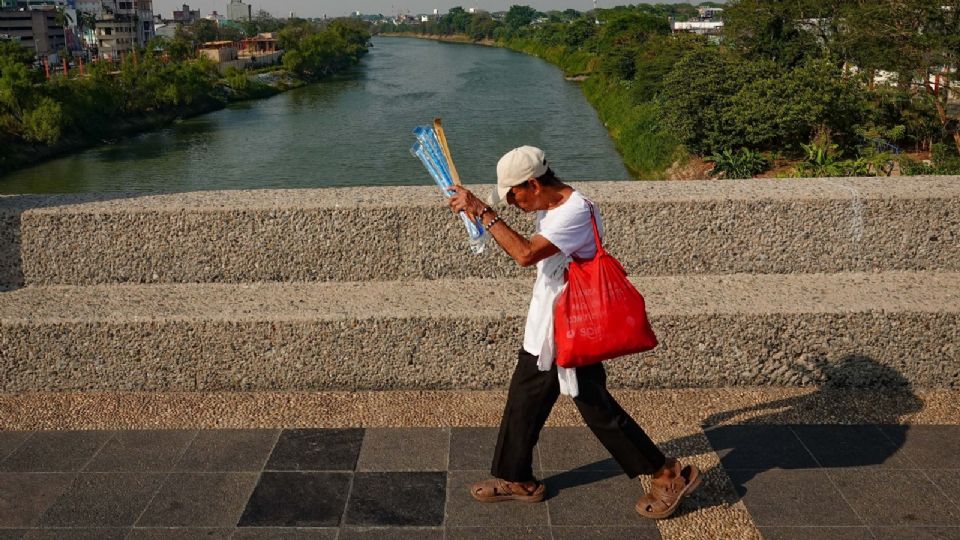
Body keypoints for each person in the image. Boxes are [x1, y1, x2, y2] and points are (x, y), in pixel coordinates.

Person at [447, 146, 700, 519]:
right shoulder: (550, 206)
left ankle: (667, 474)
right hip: (547, 327)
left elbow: (525, 254)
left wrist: (484, 213)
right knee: (524, 398)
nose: (512, 202)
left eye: (513, 194)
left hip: (574, 328)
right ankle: (515, 477)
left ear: (533, 183)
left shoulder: (575, 211)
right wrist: (479, 216)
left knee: (596, 407)